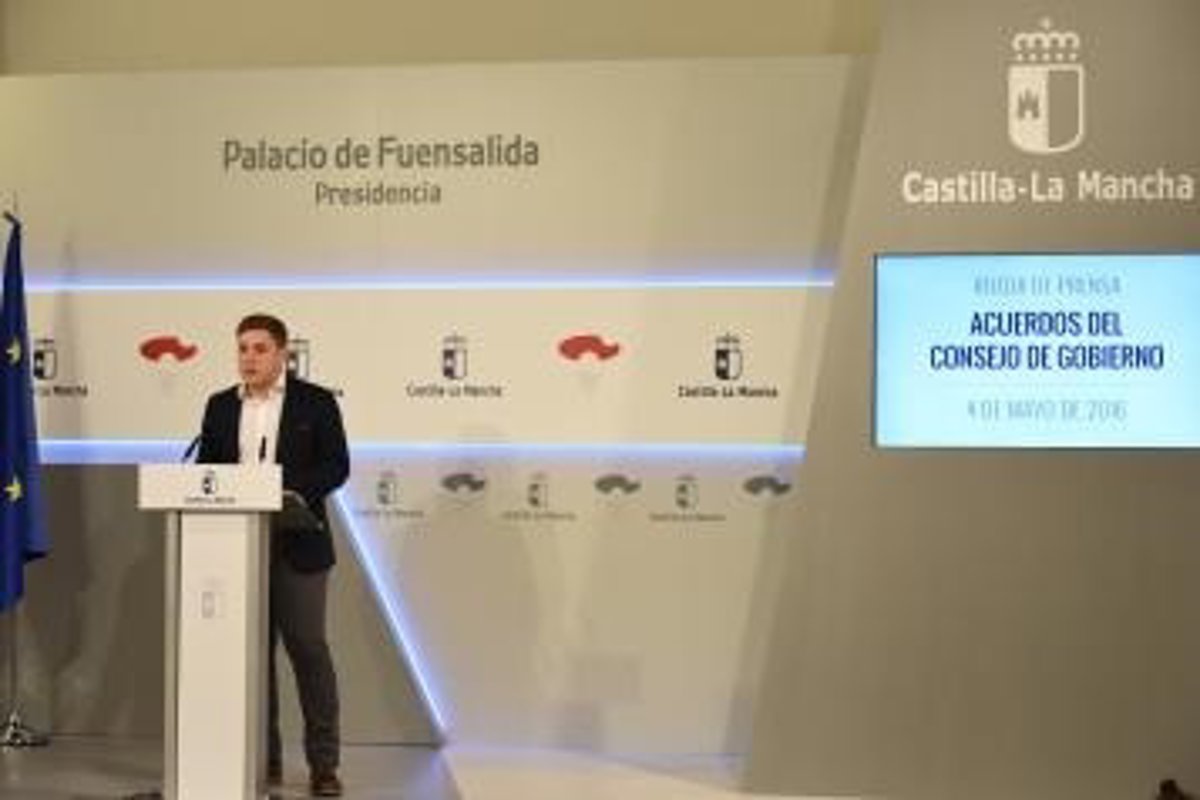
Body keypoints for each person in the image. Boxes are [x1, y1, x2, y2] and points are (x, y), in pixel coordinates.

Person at [197, 313, 350, 798]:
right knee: (251, 656)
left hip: (299, 544)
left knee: (309, 650)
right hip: (235, 546)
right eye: (242, 348)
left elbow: (337, 465)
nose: (249, 357)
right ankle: (264, 759)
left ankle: (324, 765)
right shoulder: (220, 406)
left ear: (283, 353)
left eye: (260, 348)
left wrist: (283, 489)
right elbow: (206, 471)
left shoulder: (316, 402)